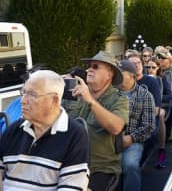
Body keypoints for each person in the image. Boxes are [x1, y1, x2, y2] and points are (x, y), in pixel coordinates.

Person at [0, 70, 90, 190]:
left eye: (32, 95)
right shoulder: (14, 129)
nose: (23, 100)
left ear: (54, 100)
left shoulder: (74, 135)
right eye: (23, 93)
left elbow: (71, 187)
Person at [70, 50, 129, 191]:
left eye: (95, 66)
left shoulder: (119, 100)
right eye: (89, 65)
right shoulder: (76, 94)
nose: (90, 69)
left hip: (101, 168)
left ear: (109, 75)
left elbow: (116, 127)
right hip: (72, 162)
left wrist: (90, 100)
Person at [118, 60, 155, 191]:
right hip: (109, 138)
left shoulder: (145, 95)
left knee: (130, 165)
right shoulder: (111, 93)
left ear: (131, 76)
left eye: (121, 74)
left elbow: (149, 125)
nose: (117, 77)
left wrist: (131, 138)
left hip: (132, 139)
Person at [147, 57, 172, 168]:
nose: (150, 69)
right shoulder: (143, 78)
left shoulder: (161, 79)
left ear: (158, 68)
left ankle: (161, 149)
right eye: (148, 67)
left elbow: (169, 95)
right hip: (144, 105)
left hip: (160, 105)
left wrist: (158, 98)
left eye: (153, 67)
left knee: (160, 114)